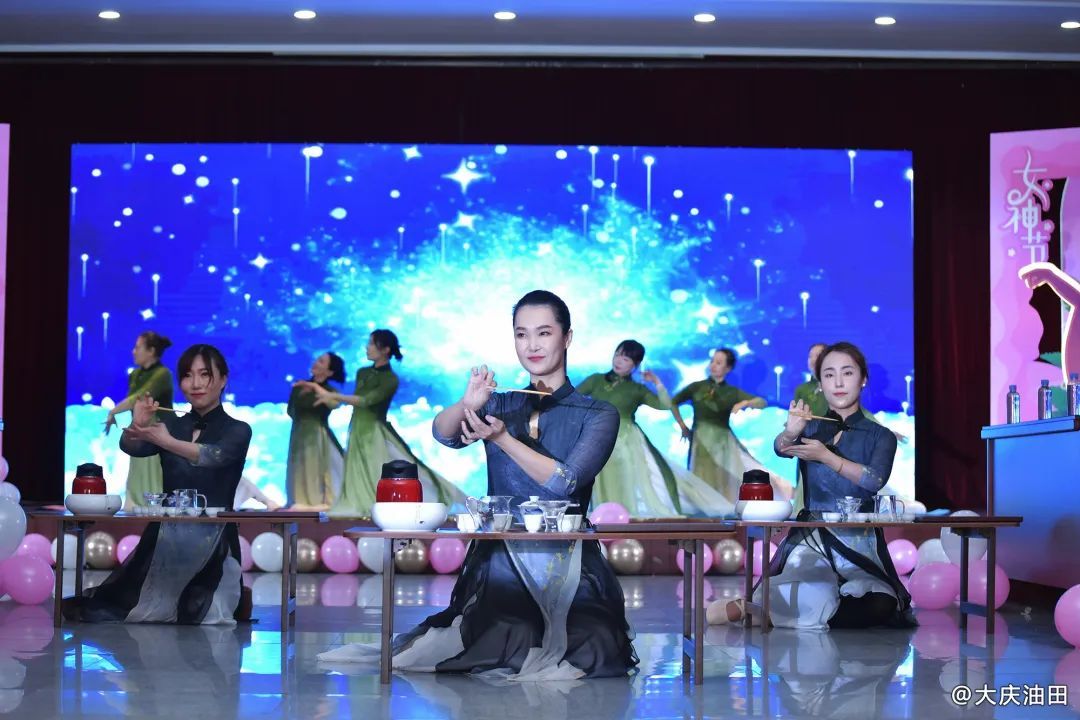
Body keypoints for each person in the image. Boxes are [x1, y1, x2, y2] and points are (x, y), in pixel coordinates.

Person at [317, 290, 638, 679]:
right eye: (521, 334)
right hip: (502, 563)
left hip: (569, 561)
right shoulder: (500, 403)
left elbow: (565, 483)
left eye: (544, 333)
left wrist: (502, 439)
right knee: (507, 637)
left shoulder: (598, 412)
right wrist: (468, 403)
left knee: (592, 645)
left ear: (566, 337)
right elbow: (444, 434)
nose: (532, 345)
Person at [710, 341, 914, 630]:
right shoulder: (812, 428)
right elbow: (781, 448)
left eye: (847, 373)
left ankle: (771, 613)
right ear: (820, 383)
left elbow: (873, 480)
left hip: (860, 542)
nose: (838, 382)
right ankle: (763, 609)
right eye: (829, 374)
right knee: (805, 589)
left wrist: (826, 456)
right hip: (813, 537)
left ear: (863, 379)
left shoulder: (881, 435)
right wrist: (790, 432)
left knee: (880, 602)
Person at [71, 344, 251, 624]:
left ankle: (237, 596)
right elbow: (133, 447)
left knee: (200, 611)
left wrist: (167, 441)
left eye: (205, 374)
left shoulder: (238, 429)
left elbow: (212, 456)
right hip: (165, 539)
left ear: (223, 379)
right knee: (117, 608)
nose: (196, 384)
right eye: (188, 376)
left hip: (214, 541)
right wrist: (137, 424)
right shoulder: (173, 424)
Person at [298, 330, 463, 516]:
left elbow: (366, 400)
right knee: (356, 470)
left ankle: (416, 503)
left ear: (385, 350)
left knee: (380, 470)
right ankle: (360, 506)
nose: (367, 348)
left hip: (374, 430)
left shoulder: (390, 379)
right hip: (357, 427)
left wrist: (332, 395)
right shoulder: (362, 372)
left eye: (371, 344)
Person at [578, 340, 733, 517]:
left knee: (624, 477)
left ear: (635, 365)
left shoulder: (637, 389)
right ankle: (598, 516)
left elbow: (665, 405)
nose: (619, 361)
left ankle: (620, 516)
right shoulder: (596, 380)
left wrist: (657, 382)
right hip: (596, 435)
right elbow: (573, 397)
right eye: (617, 355)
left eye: (626, 359)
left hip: (625, 440)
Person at [670, 348, 789, 505]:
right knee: (700, 478)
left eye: (719, 363)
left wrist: (745, 402)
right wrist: (682, 426)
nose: (713, 365)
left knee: (725, 477)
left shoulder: (731, 392)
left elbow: (761, 402)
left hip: (723, 442)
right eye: (712, 361)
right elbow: (672, 402)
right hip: (700, 440)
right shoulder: (696, 387)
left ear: (728, 368)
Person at [104, 331, 174, 511]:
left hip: (158, 431)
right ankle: (134, 504)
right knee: (137, 467)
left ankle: (155, 507)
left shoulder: (163, 374)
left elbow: (140, 397)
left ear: (151, 351)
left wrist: (113, 411)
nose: (133, 351)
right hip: (139, 429)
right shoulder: (135, 374)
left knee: (153, 470)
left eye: (138, 347)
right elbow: (133, 401)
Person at [285, 352, 346, 509]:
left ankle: (316, 502)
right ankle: (297, 500)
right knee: (297, 466)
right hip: (298, 432)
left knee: (314, 467)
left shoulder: (329, 391)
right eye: (317, 359)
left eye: (321, 361)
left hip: (316, 434)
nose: (316, 363)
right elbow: (291, 410)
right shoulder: (300, 387)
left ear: (330, 372)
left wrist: (315, 387)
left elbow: (335, 403)